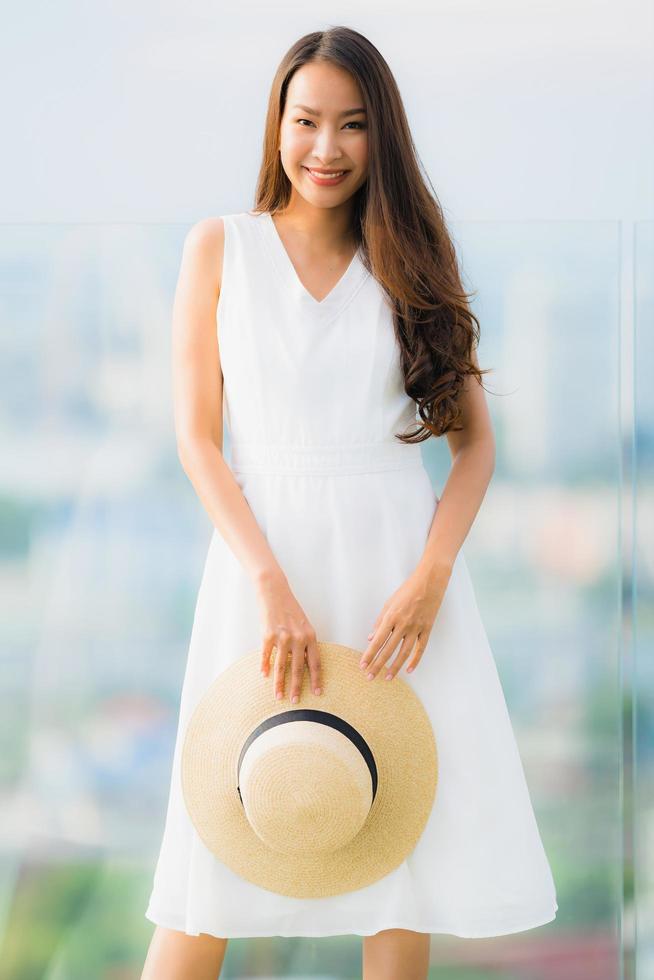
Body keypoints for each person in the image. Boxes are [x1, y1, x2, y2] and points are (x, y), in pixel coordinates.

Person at [140, 25, 558, 980]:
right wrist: (267, 583)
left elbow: (474, 444)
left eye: (353, 126)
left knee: (393, 849)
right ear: (277, 125)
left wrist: (430, 581)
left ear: (384, 137)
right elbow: (198, 441)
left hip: (393, 581)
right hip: (261, 568)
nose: (325, 149)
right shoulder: (221, 249)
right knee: (218, 843)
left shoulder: (411, 253)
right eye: (307, 121)